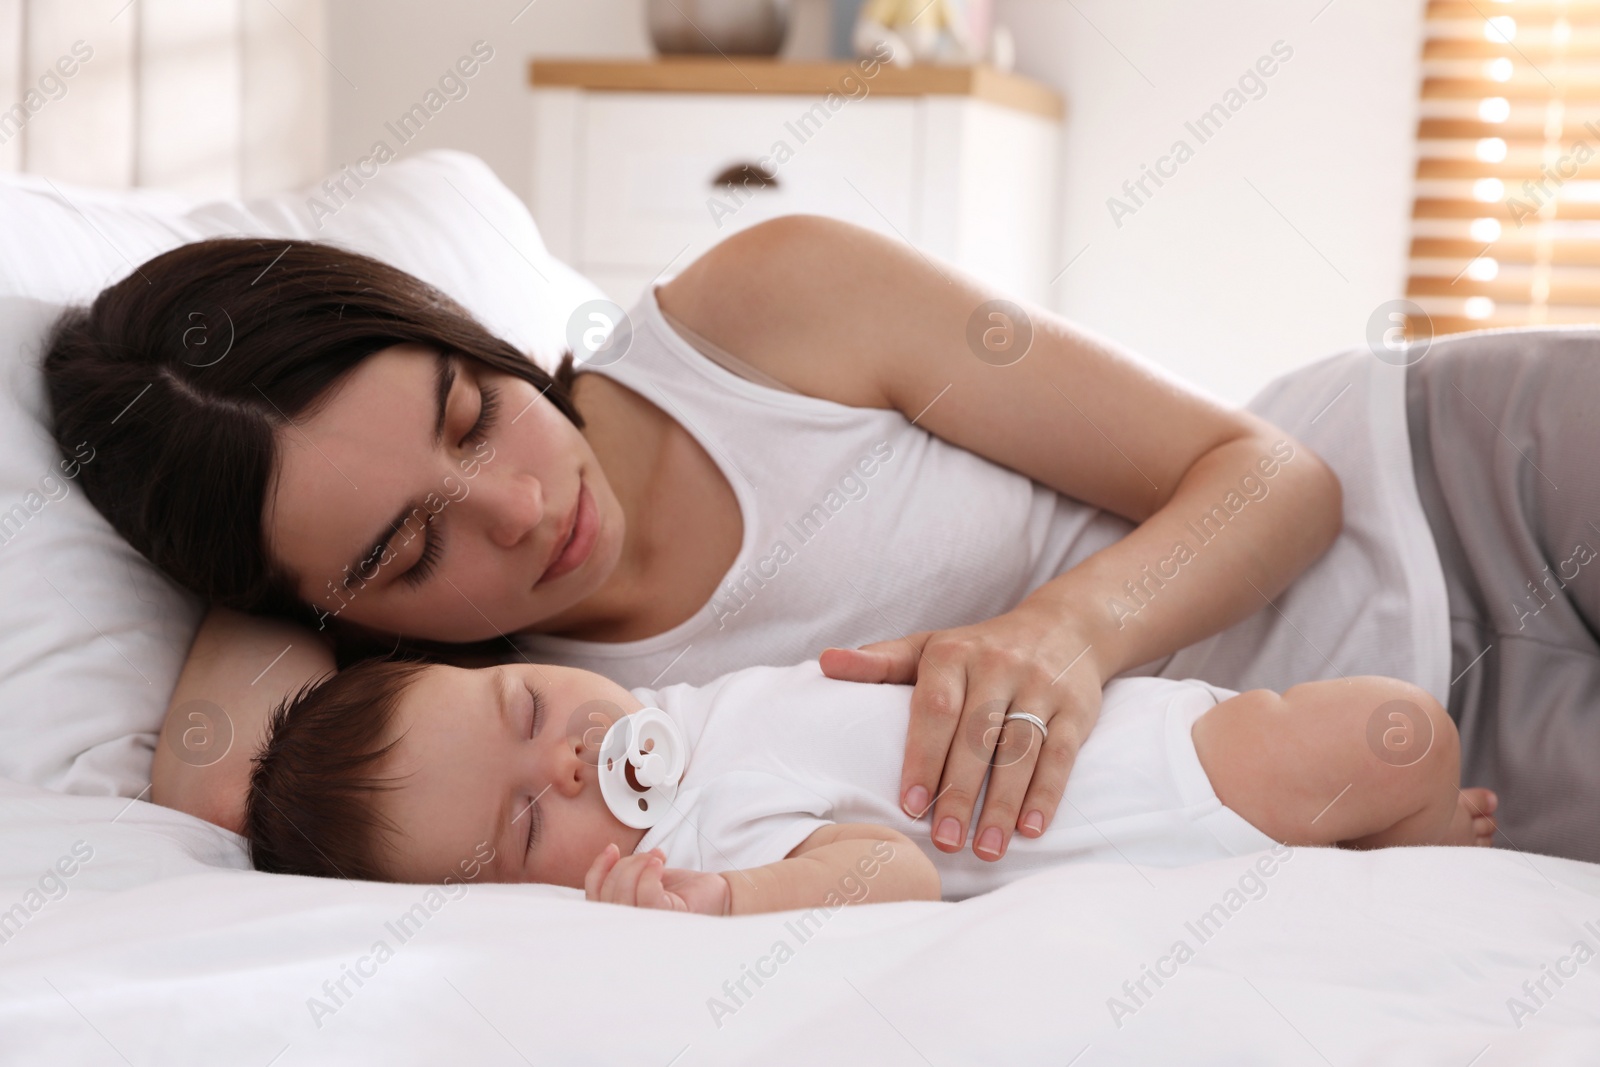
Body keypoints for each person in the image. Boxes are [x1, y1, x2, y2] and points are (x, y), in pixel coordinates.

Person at [43, 216, 1348, 866]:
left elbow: (1279, 477)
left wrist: (1067, 631)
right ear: (341, 614)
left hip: (1464, 502)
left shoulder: (761, 311)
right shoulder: (537, 727)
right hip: (1346, 772)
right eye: (409, 550)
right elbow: (220, 796)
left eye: (472, 410)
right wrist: (261, 570)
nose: (524, 505)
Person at [241, 655, 1499, 914]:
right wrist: (727, 902)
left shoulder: (681, 702)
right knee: (1393, 744)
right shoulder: (693, 841)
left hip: (1153, 751)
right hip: (1142, 830)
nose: (568, 758)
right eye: (530, 818)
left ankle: (1417, 825)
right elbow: (887, 867)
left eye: (526, 707)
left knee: (1399, 732)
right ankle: (1405, 847)